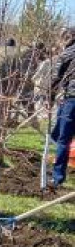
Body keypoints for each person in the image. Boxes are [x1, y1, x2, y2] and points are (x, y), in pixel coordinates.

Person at [50, 29, 75, 188]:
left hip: (72, 99)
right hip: (69, 98)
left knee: (62, 138)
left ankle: (58, 177)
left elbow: (56, 76)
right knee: (57, 134)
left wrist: (50, 95)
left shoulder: (69, 52)